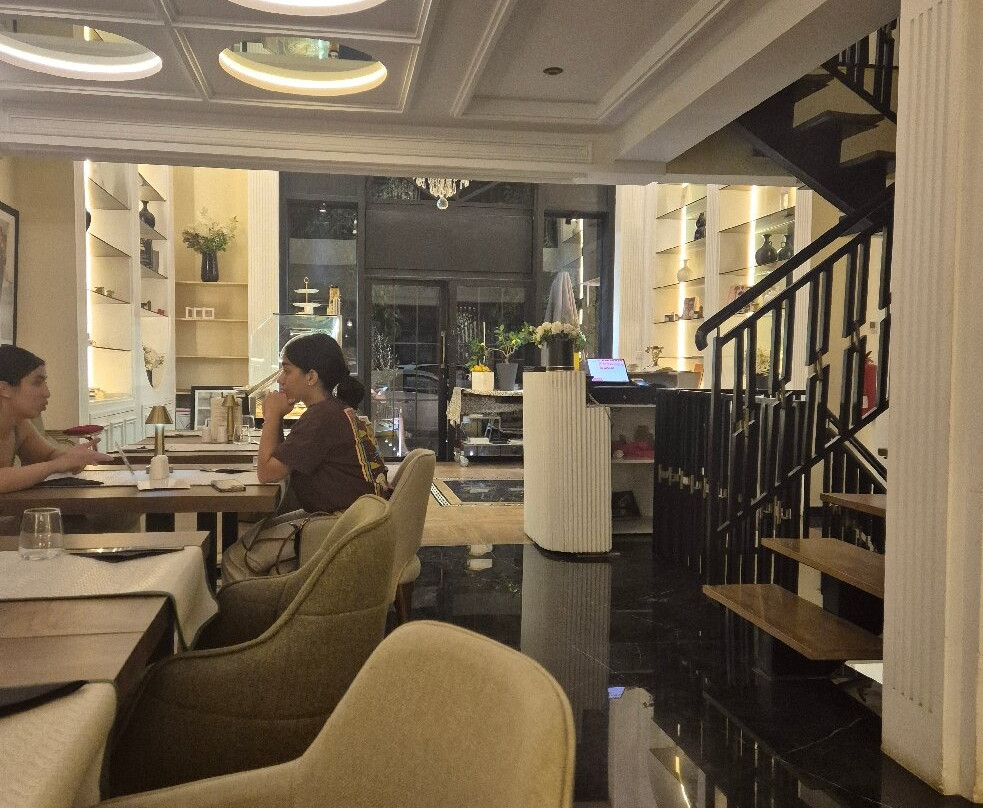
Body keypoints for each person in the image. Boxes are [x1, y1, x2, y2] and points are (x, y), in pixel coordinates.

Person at [223, 333, 386, 583]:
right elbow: (279, 461)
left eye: (287, 370)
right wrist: (277, 418)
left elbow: (267, 473)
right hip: (359, 519)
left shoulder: (321, 418)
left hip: (344, 526)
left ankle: (252, 609)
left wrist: (272, 416)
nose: (281, 379)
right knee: (254, 532)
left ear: (311, 377)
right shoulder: (332, 410)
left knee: (236, 557)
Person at [0, 344, 112, 494]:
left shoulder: (19, 425)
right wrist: (57, 464)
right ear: (5, 389)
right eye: (37, 383)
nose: (47, 393)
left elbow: (47, 456)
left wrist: (72, 457)